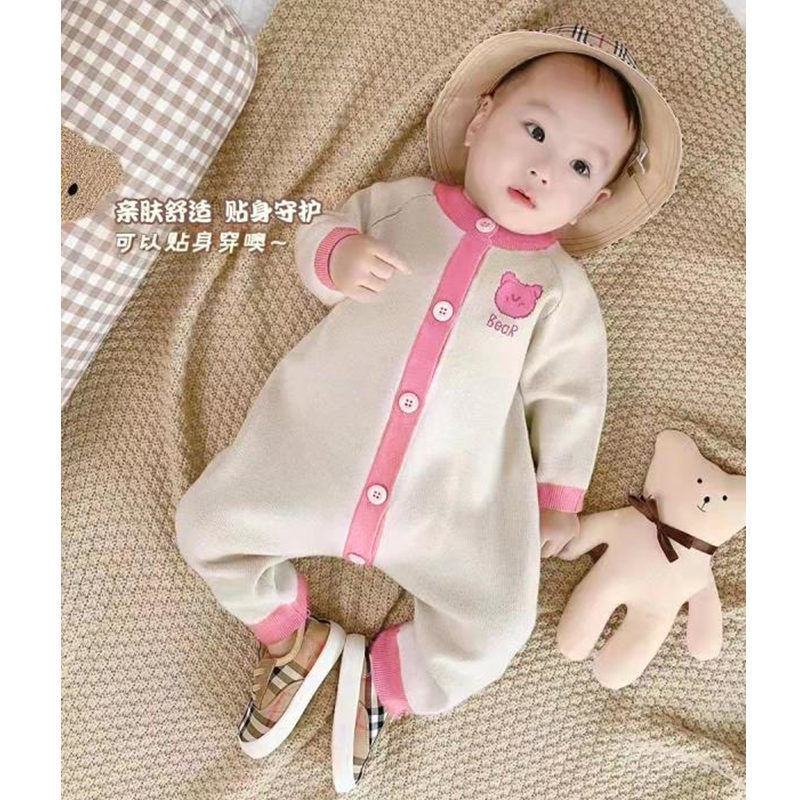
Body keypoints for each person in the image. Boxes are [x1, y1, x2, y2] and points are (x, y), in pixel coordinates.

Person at [174, 23, 681, 795]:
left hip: (450, 504)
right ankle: (289, 638)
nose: (545, 168)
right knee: (208, 525)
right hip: (313, 457)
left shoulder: (559, 290)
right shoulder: (401, 206)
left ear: (594, 200)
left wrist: (557, 499)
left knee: (498, 625)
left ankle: (387, 684)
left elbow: (572, 396)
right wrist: (338, 256)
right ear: (480, 121)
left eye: (579, 166)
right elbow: (320, 234)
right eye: (534, 131)